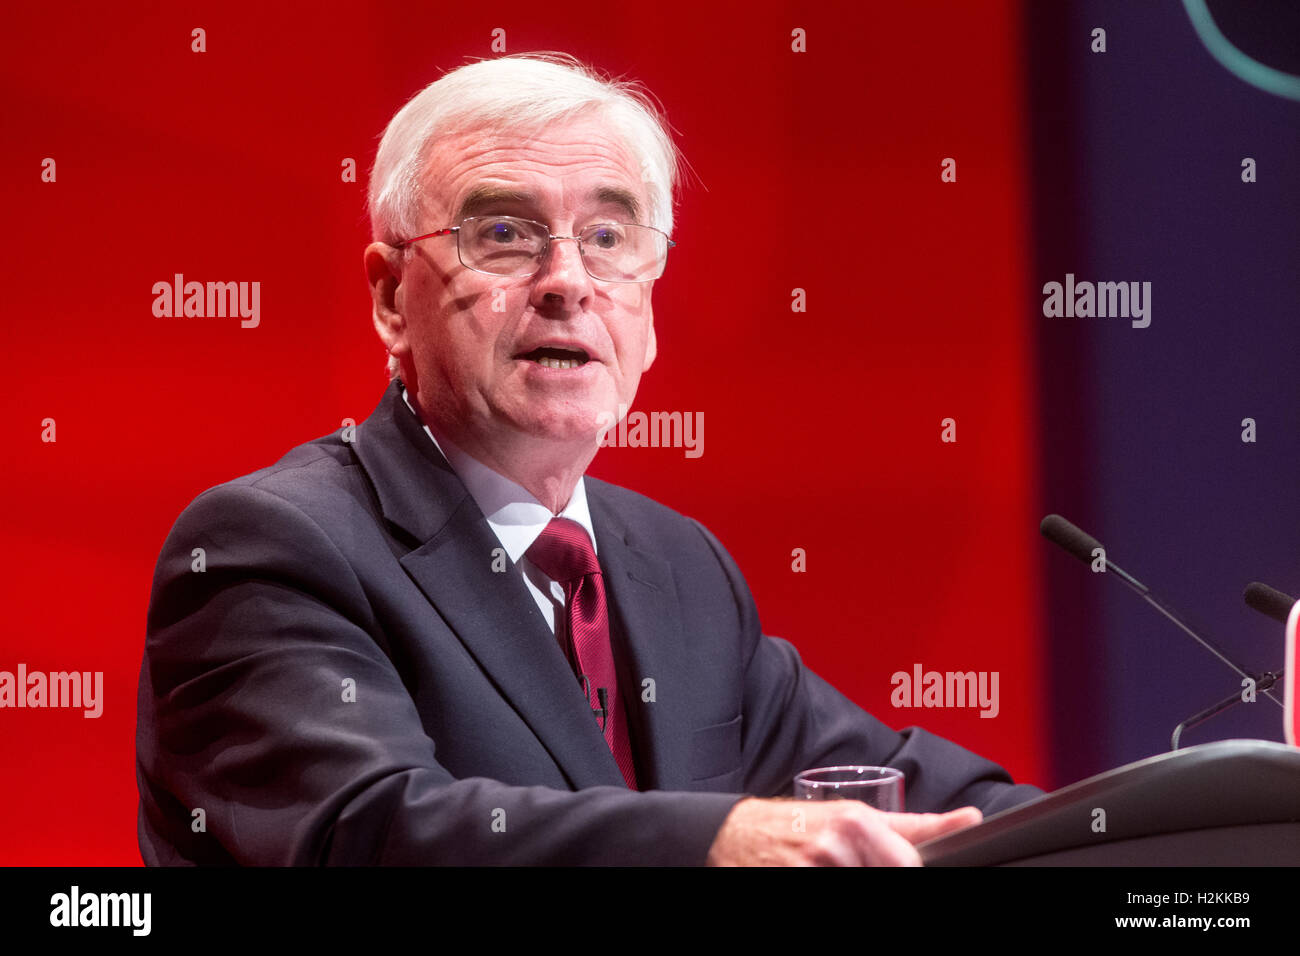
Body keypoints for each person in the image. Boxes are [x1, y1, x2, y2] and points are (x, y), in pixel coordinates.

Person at [135, 52, 1042, 866]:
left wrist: (1142, 831)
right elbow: (371, 832)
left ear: (649, 309)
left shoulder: (675, 568)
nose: (568, 280)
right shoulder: (273, 546)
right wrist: (716, 843)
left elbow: (889, 789)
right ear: (389, 298)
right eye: (502, 234)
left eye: (608, 239)